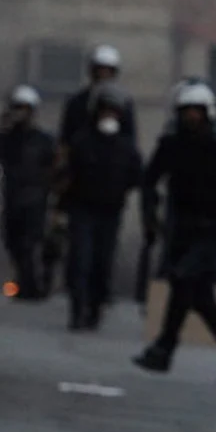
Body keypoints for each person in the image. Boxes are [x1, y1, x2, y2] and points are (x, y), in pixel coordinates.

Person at [133, 82, 216, 387]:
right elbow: (150, 180)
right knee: (200, 299)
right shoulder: (171, 143)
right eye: (186, 111)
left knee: (183, 280)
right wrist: (149, 216)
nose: (192, 117)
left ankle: (164, 349)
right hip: (182, 228)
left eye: (197, 111)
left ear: (208, 113)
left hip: (214, 229)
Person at [57, 83, 144, 331]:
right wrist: (61, 209)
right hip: (82, 209)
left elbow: (137, 176)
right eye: (105, 111)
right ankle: (77, 310)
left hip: (110, 212)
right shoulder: (81, 141)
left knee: (102, 263)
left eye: (114, 112)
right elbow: (66, 176)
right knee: (80, 260)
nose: (109, 116)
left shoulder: (126, 147)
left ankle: (95, 308)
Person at [0, 86, 59, 301]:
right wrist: (3, 127)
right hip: (12, 197)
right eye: (17, 108)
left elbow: (54, 165)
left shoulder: (43, 140)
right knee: (12, 241)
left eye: (25, 109)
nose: (21, 113)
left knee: (31, 243)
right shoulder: (7, 138)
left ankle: (32, 286)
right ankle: (24, 280)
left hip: (36, 198)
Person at [60, 44, 137, 145]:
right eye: (99, 70)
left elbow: (129, 136)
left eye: (107, 71)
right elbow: (67, 135)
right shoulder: (77, 102)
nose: (102, 74)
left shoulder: (124, 103)